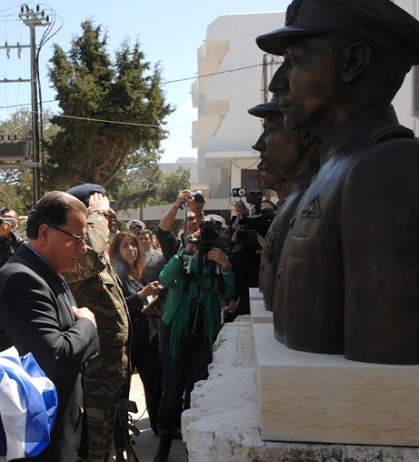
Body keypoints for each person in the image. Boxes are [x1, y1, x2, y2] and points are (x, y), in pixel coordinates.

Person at [257, 0, 419, 363]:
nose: (278, 81)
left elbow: (385, 360)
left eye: (295, 60)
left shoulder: (386, 164)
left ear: (352, 62)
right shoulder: (336, 167)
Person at [0, 191, 100, 461]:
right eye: (77, 239)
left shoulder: (49, 272)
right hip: (37, 441)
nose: (83, 249)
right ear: (45, 233)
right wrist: (88, 324)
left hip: (56, 432)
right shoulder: (22, 279)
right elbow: (54, 357)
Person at [62, 184, 131, 462]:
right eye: (103, 213)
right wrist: (96, 217)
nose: (109, 217)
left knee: (102, 447)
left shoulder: (98, 247)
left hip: (109, 372)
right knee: (89, 449)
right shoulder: (74, 252)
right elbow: (88, 253)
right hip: (91, 375)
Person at [153, 225, 235, 462]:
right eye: (201, 240)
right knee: (171, 393)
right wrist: (185, 250)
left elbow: (229, 290)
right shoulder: (183, 258)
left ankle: (193, 447)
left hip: (202, 337)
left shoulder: (217, 263)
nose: (204, 245)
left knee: (196, 393)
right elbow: (164, 279)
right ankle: (164, 447)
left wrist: (225, 264)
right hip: (175, 335)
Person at [247, 96, 320, 312]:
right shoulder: (292, 202)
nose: (260, 145)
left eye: (270, 129)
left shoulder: (312, 199)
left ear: (305, 135)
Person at [108, 232, 162, 435]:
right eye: (125, 246)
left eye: (133, 245)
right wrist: (142, 295)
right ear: (117, 250)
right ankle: (120, 432)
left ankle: (158, 426)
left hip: (146, 340)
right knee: (123, 391)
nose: (131, 249)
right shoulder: (115, 274)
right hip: (129, 344)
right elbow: (118, 307)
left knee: (154, 386)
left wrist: (153, 305)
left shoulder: (134, 272)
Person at [156, 190, 205, 262]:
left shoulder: (206, 246)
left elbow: (205, 233)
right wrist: (176, 204)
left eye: (196, 219)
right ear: (183, 226)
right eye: (190, 219)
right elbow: (162, 231)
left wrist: (198, 212)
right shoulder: (176, 246)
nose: (194, 221)